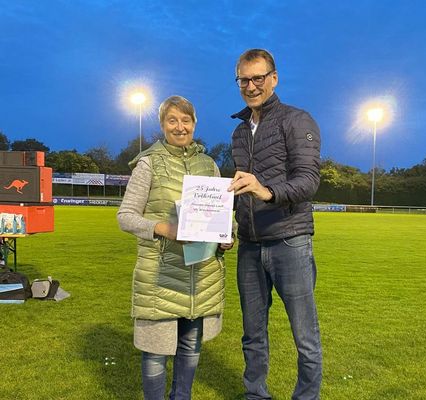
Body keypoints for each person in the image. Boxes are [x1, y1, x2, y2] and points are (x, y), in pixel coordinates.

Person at [117, 95, 233, 400]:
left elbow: (224, 215)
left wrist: (228, 236)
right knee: (156, 353)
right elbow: (125, 217)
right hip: (161, 275)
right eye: (172, 120)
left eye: (185, 120)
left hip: (201, 274)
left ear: (194, 123)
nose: (179, 127)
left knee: (190, 349)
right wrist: (164, 229)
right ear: (162, 125)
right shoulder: (149, 163)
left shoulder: (209, 165)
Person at [228, 49, 323, 400]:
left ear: (274, 78)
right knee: (252, 333)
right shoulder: (238, 133)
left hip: (290, 241)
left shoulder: (297, 120)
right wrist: (228, 230)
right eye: (244, 80)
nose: (251, 86)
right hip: (251, 245)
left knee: (305, 335)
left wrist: (266, 191)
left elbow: (309, 181)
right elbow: (240, 191)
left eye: (258, 78)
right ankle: (256, 394)